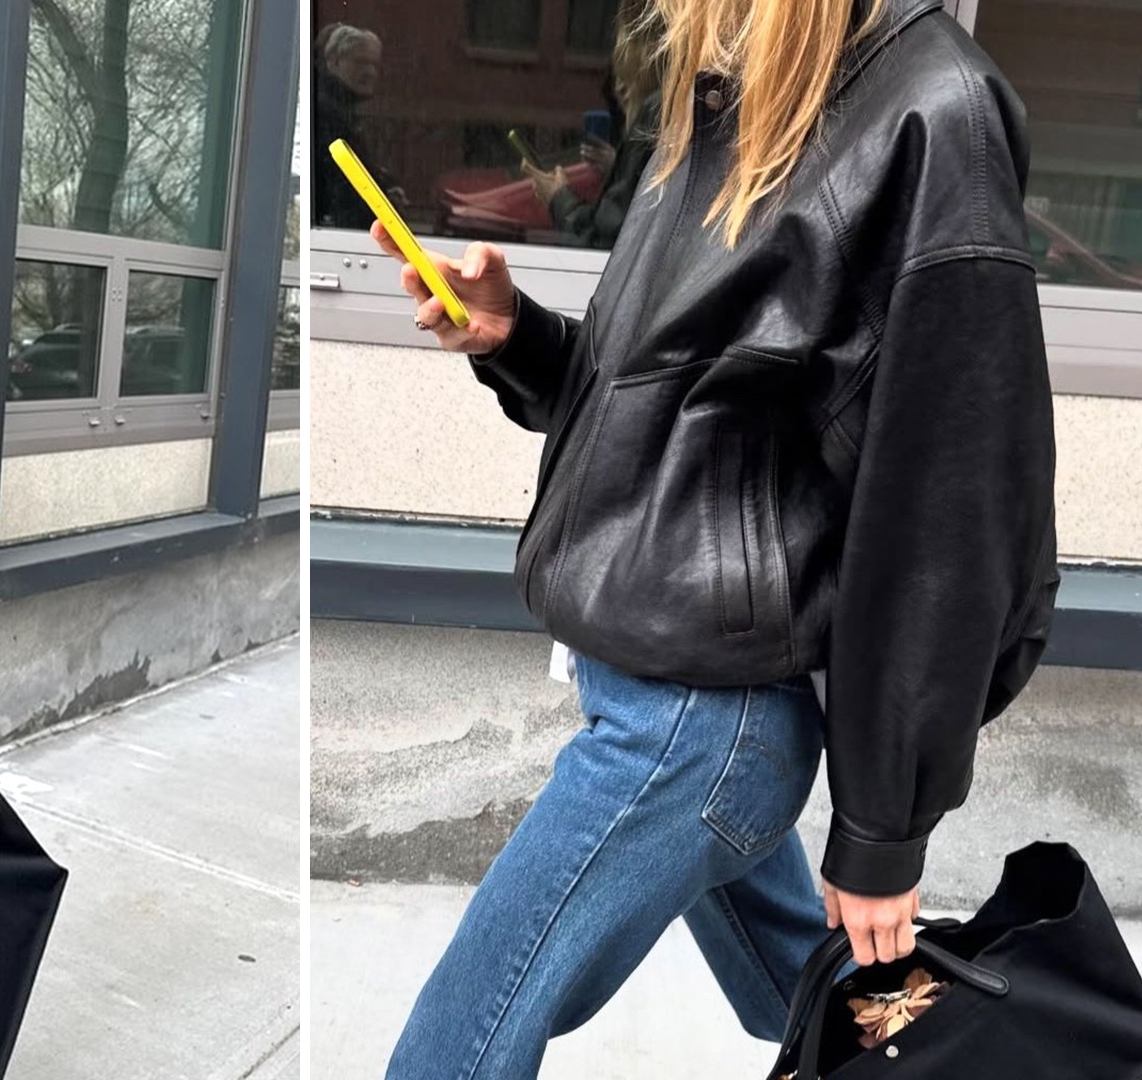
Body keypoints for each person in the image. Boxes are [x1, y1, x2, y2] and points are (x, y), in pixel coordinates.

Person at [374, 0, 1058, 1075]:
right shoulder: (734, 89)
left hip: (696, 722)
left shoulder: (935, 111)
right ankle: (1007, 1053)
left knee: (453, 1048)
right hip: (676, 694)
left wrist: (882, 830)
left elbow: (951, 511)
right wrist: (520, 339)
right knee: (847, 1008)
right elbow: (678, 416)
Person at [527, 0, 666, 250]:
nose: (619, 90)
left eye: (623, 80)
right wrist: (618, 166)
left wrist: (559, 198)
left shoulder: (655, 115)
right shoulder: (687, 111)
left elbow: (603, 244)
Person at [314, 22, 400, 228]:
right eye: (360, 62)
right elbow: (345, 190)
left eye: (374, 64)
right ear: (334, 62)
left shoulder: (344, 110)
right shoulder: (327, 114)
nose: (370, 71)